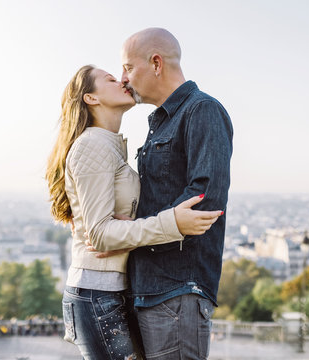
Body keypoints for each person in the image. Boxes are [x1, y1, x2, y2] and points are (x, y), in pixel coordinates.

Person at [46, 65, 223, 360]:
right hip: (97, 293)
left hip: (106, 292)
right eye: (112, 79)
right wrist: (172, 223)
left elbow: (107, 231)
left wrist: (130, 233)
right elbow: (100, 235)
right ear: (91, 98)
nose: (123, 80)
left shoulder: (107, 145)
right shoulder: (93, 145)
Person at [118, 28, 234, 359]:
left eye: (128, 67)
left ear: (156, 63)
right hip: (153, 287)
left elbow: (204, 201)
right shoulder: (162, 122)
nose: (122, 78)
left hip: (178, 288)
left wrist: (133, 233)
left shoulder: (202, 111)